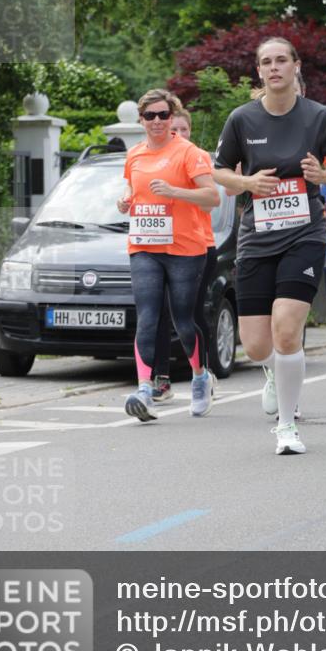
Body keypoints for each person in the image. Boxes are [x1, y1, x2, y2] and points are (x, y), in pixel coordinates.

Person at [213, 37, 326, 455]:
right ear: (259, 71)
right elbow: (219, 173)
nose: (275, 67)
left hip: (304, 235)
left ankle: (286, 426)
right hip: (257, 237)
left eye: (282, 59)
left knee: (286, 331)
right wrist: (246, 183)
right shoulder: (242, 119)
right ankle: (273, 373)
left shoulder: (318, 118)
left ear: (296, 66)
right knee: (259, 344)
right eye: (267, 62)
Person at [117, 89, 220, 421]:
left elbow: (212, 197)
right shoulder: (134, 155)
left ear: (172, 117)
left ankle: (200, 377)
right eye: (151, 116)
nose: (157, 121)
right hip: (145, 245)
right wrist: (125, 199)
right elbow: (132, 188)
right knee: (147, 316)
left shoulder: (189, 153)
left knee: (183, 320)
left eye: (163, 115)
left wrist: (175, 192)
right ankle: (145, 390)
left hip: (185, 248)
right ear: (142, 119)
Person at [149, 107, 218, 402]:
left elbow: (210, 203)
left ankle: (202, 374)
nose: (177, 134)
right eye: (172, 128)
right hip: (161, 245)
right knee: (158, 313)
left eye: (183, 129)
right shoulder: (158, 160)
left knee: (189, 314)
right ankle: (161, 379)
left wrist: (177, 190)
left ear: (190, 131)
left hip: (198, 246)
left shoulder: (196, 159)